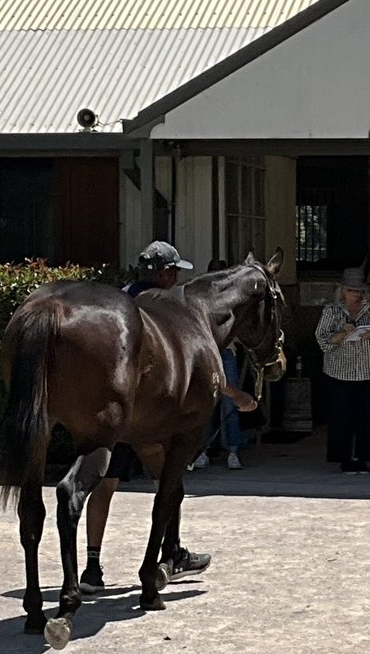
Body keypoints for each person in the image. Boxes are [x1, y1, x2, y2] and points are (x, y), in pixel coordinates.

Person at [80, 240, 210, 594]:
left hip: (113, 410)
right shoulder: (166, 311)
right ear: (166, 273)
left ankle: (91, 566)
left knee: (104, 485)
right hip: (149, 415)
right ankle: (170, 553)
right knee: (167, 481)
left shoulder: (117, 304)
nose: (175, 279)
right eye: (174, 272)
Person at [315, 267, 370, 474]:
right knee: (341, 417)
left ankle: (363, 458)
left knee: (367, 418)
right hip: (340, 372)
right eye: (351, 291)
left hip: (367, 370)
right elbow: (322, 339)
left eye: (359, 291)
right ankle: (344, 458)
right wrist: (341, 335)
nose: (356, 295)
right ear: (343, 291)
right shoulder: (331, 310)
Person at [192, 259, 247, 470]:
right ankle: (203, 449)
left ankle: (232, 449)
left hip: (225, 350)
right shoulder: (200, 296)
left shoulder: (231, 299)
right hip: (207, 350)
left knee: (229, 401)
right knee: (206, 402)